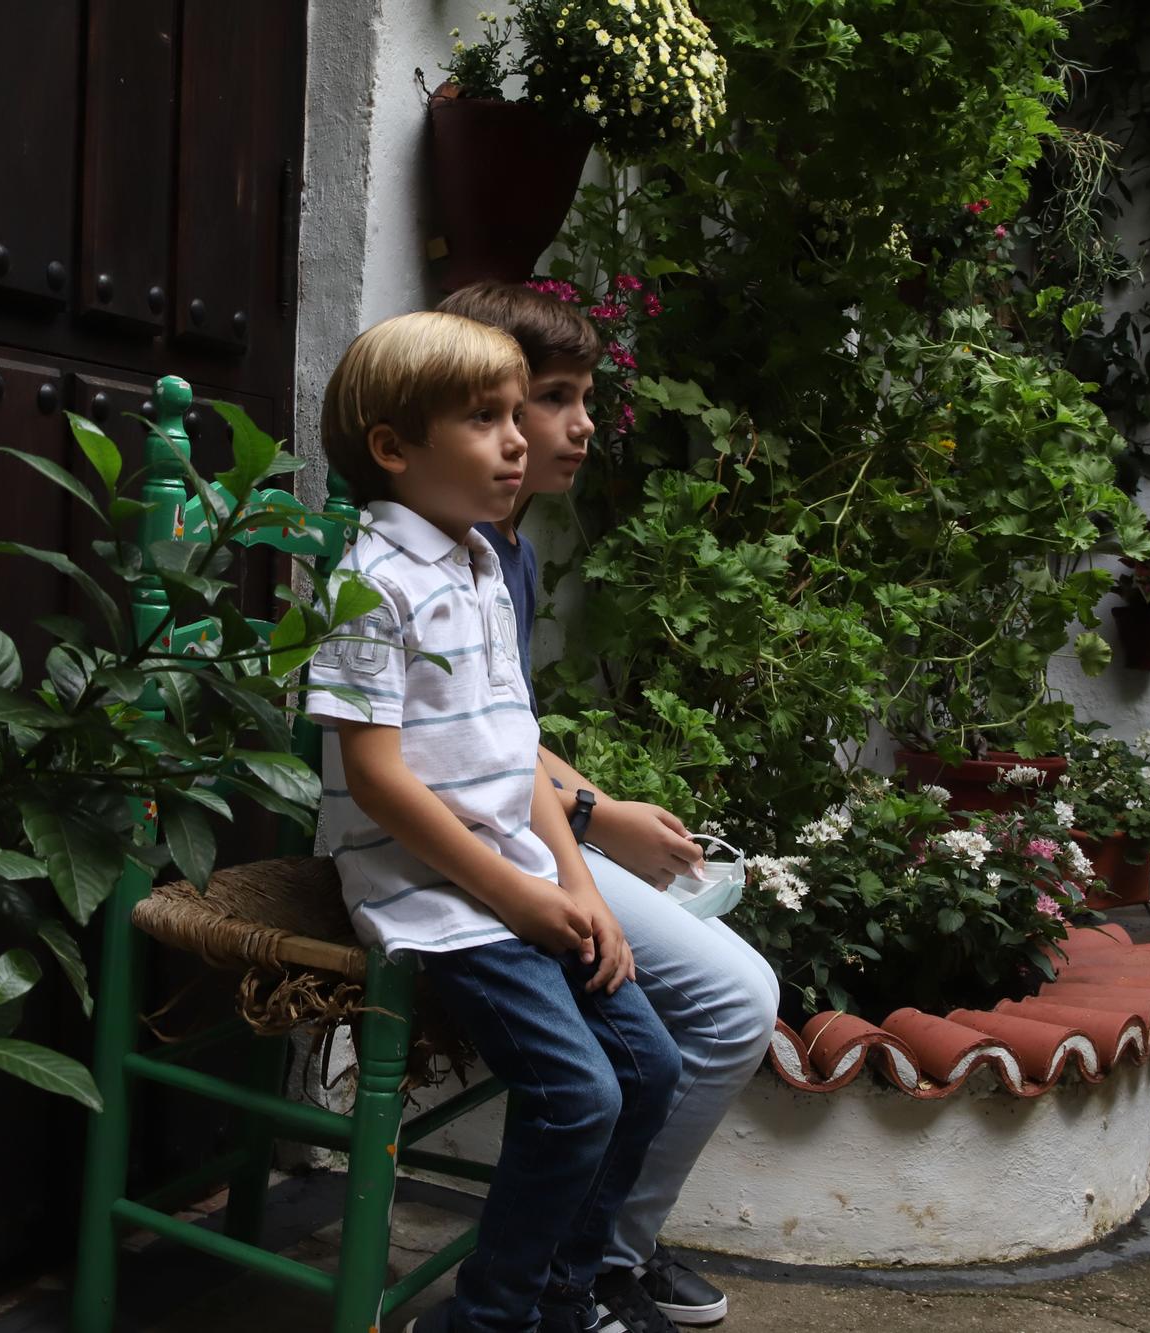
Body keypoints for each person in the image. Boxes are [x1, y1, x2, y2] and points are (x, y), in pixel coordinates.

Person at [308, 311, 683, 1333]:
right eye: (486, 418)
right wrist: (519, 895)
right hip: (435, 893)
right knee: (580, 1097)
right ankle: (486, 1317)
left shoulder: (478, 564)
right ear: (394, 448)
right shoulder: (366, 581)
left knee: (648, 1067)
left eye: (517, 413)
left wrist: (571, 882)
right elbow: (377, 780)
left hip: (515, 876)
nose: (519, 437)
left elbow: (517, 752)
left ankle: (561, 1296)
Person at [437, 281, 783, 1329]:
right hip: (473, 851)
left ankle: (592, 1260)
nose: (576, 425)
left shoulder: (513, 551)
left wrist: (602, 811)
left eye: (579, 397)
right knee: (732, 1000)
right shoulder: (436, 555)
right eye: (549, 397)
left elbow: (508, 731)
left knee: (712, 996)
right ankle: (590, 1268)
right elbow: (436, 758)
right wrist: (590, 822)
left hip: (531, 830)